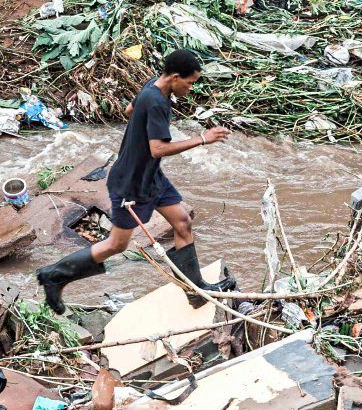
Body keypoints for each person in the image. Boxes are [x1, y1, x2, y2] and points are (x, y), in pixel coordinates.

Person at [36, 48, 236, 314]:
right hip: (132, 183)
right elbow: (158, 149)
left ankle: (195, 290)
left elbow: (130, 109)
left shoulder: (153, 85)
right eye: (189, 83)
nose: (190, 89)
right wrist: (202, 139)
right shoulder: (157, 102)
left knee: (183, 222)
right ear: (175, 77)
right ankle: (55, 275)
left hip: (149, 176)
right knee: (117, 244)